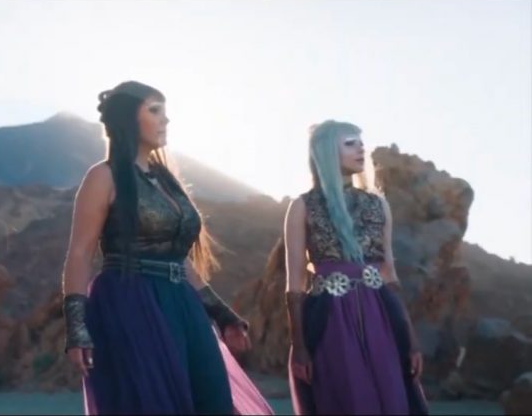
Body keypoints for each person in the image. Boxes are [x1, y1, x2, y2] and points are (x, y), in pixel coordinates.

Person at [60, 80, 273, 415]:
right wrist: (76, 328)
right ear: (128, 117)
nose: (166, 119)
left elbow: (179, 257)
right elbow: (80, 253)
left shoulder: (166, 180)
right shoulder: (103, 177)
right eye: (155, 110)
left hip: (182, 301)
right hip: (130, 300)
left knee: (213, 398)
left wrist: (221, 313)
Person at [283, 120, 429, 415]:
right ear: (325, 151)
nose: (361, 148)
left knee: (393, 397)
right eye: (350, 143)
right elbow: (294, 286)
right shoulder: (303, 206)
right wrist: (299, 347)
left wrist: (411, 341)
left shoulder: (378, 205)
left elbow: (390, 276)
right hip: (330, 318)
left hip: (381, 315)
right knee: (347, 397)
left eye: (362, 143)